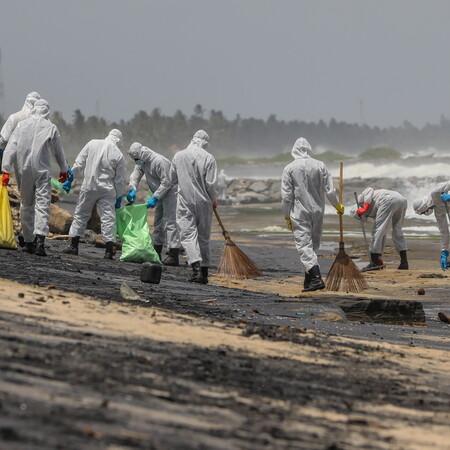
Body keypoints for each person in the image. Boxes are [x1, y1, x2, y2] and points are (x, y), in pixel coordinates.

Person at [1, 99, 68, 256]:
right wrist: (64, 169)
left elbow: (11, 148)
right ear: (46, 111)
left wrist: (5, 170)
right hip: (42, 171)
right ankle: (40, 243)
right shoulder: (51, 127)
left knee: (26, 204)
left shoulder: (22, 125)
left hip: (24, 171)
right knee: (42, 205)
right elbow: (58, 152)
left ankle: (29, 242)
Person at [281, 137, 344, 292]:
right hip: (317, 210)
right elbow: (329, 190)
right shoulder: (320, 165)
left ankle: (316, 278)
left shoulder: (289, 168)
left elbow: (286, 196)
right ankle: (308, 278)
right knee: (313, 244)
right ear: (308, 149)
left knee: (304, 245)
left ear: (294, 150)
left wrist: (287, 215)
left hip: (299, 211)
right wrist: (337, 205)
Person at [62, 129, 125, 259]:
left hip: (89, 185)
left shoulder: (92, 143)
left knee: (80, 214)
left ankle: (73, 246)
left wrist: (70, 179)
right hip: (107, 189)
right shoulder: (118, 154)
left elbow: (79, 163)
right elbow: (119, 180)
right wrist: (119, 196)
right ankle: (108, 251)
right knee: (108, 219)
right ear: (118, 140)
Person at [169, 130, 217, 284]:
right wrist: (214, 199)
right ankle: (204, 273)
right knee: (203, 237)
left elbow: (172, 178)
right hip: (204, 202)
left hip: (185, 201)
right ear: (205, 143)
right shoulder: (209, 158)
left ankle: (195, 267)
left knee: (188, 235)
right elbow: (211, 184)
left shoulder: (178, 156)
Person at [126, 142, 180, 265]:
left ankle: (174, 255)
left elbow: (167, 182)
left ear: (141, 154)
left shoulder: (159, 161)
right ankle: (156, 253)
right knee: (158, 223)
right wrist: (133, 188)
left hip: (171, 193)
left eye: (136, 159)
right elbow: (136, 175)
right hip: (160, 193)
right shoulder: (142, 160)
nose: (136, 161)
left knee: (170, 222)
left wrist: (155, 197)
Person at [351, 188, 408, 271]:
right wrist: (379, 256)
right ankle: (404, 262)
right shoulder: (372, 209)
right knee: (397, 229)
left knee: (377, 229)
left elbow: (369, 190)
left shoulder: (360, 202)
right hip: (402, 199)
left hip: (387, 199)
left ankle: (374, 262)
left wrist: (365, 207)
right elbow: (382, 233)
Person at [0, 91, 41, 173]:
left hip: (17, 160)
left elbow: (4, 139)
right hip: (37, 161)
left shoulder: (14, 117)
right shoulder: (43, 121)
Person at [413, 181, 450, 271]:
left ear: (424, 207)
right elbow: (444, 231)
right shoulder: (438, 211)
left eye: (423, 212)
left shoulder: (435, 192)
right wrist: (444, 251)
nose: (426, 213)